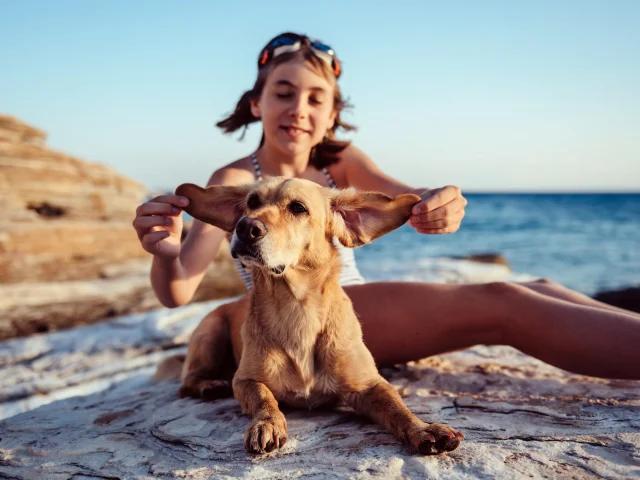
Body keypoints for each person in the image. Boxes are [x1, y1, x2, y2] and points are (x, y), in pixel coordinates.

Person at [133, 32, 640, 382]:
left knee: (542, 287)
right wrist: (163, 250)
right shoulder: (237, 181)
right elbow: (178, 291)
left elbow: (410, 199)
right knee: (504, 304)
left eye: (316, 99)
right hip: (301, 321)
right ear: (255, 103)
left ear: (333, 113)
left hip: (349, 308)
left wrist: (443, 201)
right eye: (283, 93)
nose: (298, 110)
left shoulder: (341, 164)